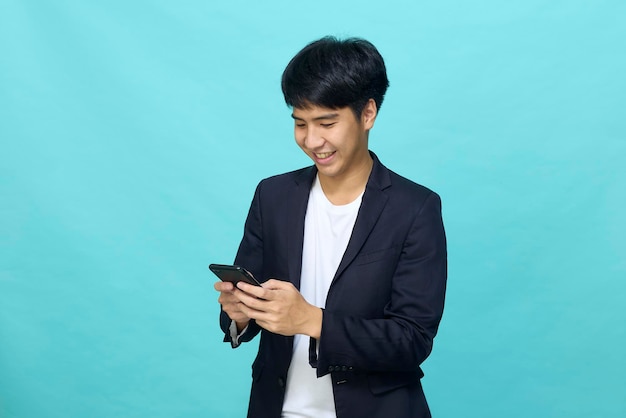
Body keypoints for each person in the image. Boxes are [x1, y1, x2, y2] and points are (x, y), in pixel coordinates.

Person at [214, 36, 447, 418]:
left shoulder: (416, 208)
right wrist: (240, 314)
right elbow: (248, 304)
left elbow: (412, 339)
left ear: (367, 114)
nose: (312, 140)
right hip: (277, 408)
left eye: (326, 122)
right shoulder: (272, 196)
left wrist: (313, 320)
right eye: (300, 124)